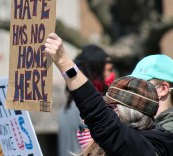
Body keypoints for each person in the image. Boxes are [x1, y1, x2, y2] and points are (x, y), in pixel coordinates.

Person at [44, 33, 173, 155]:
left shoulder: (158, 142)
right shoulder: (145, 137)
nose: (110, 112)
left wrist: (63, 61)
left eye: (113, 107)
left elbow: (103, 121)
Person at [130, 54, 173, 132]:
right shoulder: (147, 124)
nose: (134, 88)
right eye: (133, 83)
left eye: (141, 84)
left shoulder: (168, 130)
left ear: (163, 89)